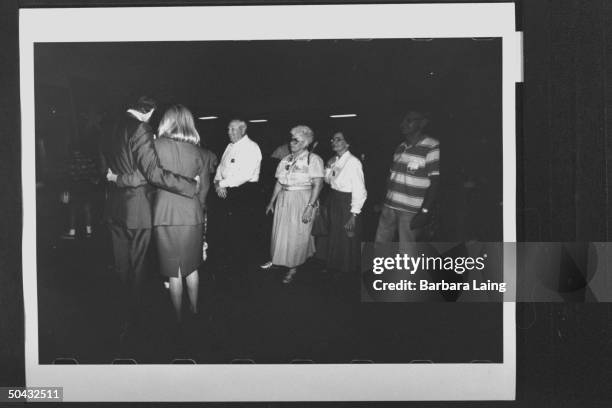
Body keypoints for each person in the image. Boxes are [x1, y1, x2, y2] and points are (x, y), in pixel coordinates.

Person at [104, 96, 198, 335]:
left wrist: (117, 180)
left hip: (115, 207)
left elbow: (106, 169)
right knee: (139, 268)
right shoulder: (141, 127)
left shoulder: (110, 126)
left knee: (121, 266)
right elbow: (153, 173)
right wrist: (189, 185)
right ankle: (137, 322)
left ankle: (122, 316)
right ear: (148, 112)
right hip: (138, 209)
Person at [150, 104, 213, 322]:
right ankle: (195, 310)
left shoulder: (155, 146)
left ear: (166, 122)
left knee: (173, 270)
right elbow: (203, 188)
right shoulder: (200, 152)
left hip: (165, 214)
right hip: (192, 214)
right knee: (192, 266)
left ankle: (177, 319)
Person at [263, 125, 324, 283]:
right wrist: (271, 201)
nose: (292, 143)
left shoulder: (313, 160)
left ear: (305, 143)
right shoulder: (286, 159)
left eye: (296, 140)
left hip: (302, 199)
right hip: (284, 198)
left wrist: (310, 207)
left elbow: (318, 184)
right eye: (292, 139)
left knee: (298, 234)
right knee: (280, 232)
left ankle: (293, 267)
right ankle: (277, 259)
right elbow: (279, 182)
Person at [375, 110, 439, 243]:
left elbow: (435, 182)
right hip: (389, 207)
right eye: (403, 121)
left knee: (407, 252)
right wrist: (383, 201)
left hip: (410, 211)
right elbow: (391, 178)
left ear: (421, 123)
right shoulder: (401, 147)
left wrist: (425, 211)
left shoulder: (431, 146)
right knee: (381, 247)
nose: (403, 124)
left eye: (409, 120)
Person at [213, 119, 262, 280]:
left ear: (243, 130)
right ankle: (226, 268)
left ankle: (240, 272)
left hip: (243, 193)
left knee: (240, 233)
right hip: (225, 190)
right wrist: (217, 182)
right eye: (228, 129)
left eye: (233, 129)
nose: (230, 132)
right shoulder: (230, 146)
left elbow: (244, 175)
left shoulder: (251, 147)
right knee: (225, 231)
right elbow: (221, 167)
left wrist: (223, 183)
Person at [324, 131, 367, 277]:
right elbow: (329, 181)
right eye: (333, 139)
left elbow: (360, 190)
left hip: (347, 202)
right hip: (335, 199)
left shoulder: (353, 162)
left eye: (338, 139)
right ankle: (335, 265)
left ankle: (347, 270)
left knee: (347, 235)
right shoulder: (336, 160)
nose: (334, 142)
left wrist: (354, 214)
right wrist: (328, 167)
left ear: (347, 144)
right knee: (335, 233)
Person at [60, 143, 100, 239]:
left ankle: (72, 231)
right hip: (86, 187)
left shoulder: (69, 161)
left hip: (74, 187)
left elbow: (66, 176)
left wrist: (65, 190)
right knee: (87, 209)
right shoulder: (88, 159)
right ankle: (89, 230)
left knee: (72, 209)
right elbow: (94, 174)